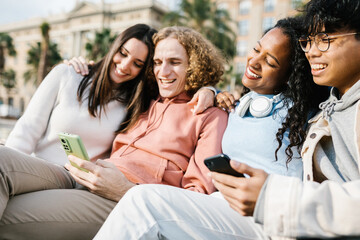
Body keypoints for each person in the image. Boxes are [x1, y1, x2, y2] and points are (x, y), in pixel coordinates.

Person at [94, 0, 360, 239]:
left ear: (291, 75)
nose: (313, 51)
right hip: (230, 206)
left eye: (325, 40)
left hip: (269, 217)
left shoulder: (307, 109)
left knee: (143, 201)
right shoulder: (239, 103)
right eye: (308, 43)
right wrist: (211, 91)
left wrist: (272, 197)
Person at [0, 26, 227, 239]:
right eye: (157, 62)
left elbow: (196, 197)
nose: (163, 71)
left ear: (195, 65)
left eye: (175, 62)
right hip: (82, 176)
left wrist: (127, 191)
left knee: (8, 216)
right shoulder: (145, 101)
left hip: (120, 199)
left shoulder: (209, 115)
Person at [5, 24, 214, 166]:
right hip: (33, 168)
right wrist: (13, 166)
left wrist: (211, 90)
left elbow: (178, 88)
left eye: (137, 64)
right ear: (114, 47)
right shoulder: (67, 74)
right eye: (123, 54)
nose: (124, 66)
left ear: (144, 71)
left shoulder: (135, 104)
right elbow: (26, 131)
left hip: (73, 183)